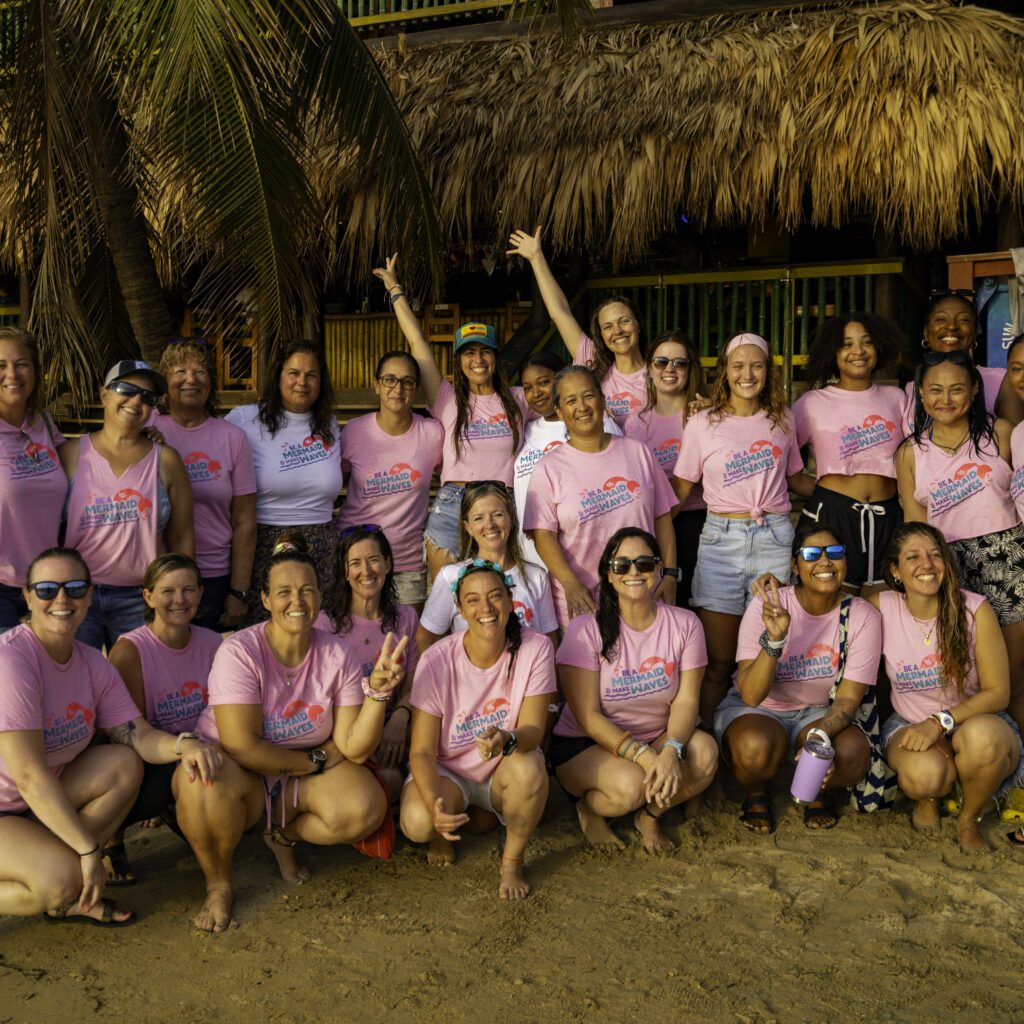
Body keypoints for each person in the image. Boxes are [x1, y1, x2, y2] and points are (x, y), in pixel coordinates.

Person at [181, 543, 400, 932]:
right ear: (265, 599)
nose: (297, 601)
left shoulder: (338, 653)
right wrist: (314, 761)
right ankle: (218, 884)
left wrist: (377, 694)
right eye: (284, 591)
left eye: (307, 590)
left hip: (299, 767)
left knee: (365, 807)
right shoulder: (240, 651)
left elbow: (353, 746)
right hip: (241, 769)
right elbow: (241, 744)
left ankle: (280, 833)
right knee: (200, 783)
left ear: (320, 595)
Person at [0, 547, 221, 926]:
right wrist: (88, 851)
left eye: (74, 587)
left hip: (38, 802)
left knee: (122, 763)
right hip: (12, 803)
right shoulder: (12, 662)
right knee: (62, 879)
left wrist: (185, 744)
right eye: (47, 589)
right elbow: (29, 777)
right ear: (27, 595)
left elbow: (137, 736)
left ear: (89, 594)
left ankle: (65, 877)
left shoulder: (91, 663)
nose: (62, 599)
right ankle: (66, 881)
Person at [552, 528, 717, 852]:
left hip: (656, 735)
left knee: (706, 755)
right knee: (632, 785)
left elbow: (685, 702)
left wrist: (670, 751)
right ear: (608, 575)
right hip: (586, 744)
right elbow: (588, 717)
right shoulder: (586, 629)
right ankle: (588, 809)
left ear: (658, 569)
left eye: (643, 563)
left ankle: (650, 816)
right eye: (622, 565)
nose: (633, 572)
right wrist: (644, 757)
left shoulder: (685, 624)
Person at [399, 560, 556, 900]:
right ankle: (451, 825)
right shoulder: (437, 659)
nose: (485, 607)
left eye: (495, 596)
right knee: (418, 821)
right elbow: (423, 751)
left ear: (510, 599)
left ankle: (511, 860)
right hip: (449, 770)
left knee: (530, 768)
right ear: (459, 608)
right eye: (472, 599)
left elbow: (532, 729)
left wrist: (506, 739)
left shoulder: (536, 648)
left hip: (503, 767)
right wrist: (434, 804)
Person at [714, 525, 881, 833]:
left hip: (820, 711)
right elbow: (752, 695)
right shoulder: (769, 605)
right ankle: (756, 792)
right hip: (760, 710)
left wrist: (821, 737)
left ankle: (818, 791)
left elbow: (848, 699)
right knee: (754, 748)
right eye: (811, 554)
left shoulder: (862, 615)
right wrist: (775, 641)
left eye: (834, 553)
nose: (825, 562)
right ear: (795, 565)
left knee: (851, 753)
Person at [672, 332, 803, 724]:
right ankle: (711, 748)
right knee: (719, 661)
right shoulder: (702, 422)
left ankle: (762, 738)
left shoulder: (784, 420)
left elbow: (797, 479)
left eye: (757, 365)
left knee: (768, 652)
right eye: (738, 366)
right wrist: (646, 527)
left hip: (775, 539)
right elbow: (681, 488)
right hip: (720, 544)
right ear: (725, 373)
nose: (748, 374)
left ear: (769, 371)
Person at [373, 255, 530, 578]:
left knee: (502, 593)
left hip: (502, 504)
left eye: (485, 351)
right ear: (459, 360)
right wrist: (394, 289)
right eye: (469, 352)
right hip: (453, 503)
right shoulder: (446, 399)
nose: (478, 359)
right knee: (445, 597)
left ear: (495, 357)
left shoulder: (518, 399)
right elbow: (417, 342)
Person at [895, 350, 1024, 735]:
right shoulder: (909, 452)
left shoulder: (1000, 433)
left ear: (973, 391)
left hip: (1007, 560)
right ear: (920, 394)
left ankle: (1015, 769)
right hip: (947, 566)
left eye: (956, 389)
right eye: (935, 389)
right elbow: (914, 529)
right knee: (962, 676)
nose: (945, 399)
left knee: (1013, 675)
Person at [869, 523, 1020, 851]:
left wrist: (940, 721)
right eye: (913, 557)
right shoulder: (881, 606)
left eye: (935, 555)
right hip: (911, 724)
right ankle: (931, 796)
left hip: (972, 722)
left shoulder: (974, 609)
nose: (927, 564)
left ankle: (970, 817)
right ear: (896, 571)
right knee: (925, 777)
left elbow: (998, 692)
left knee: (986, 741)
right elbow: (825, 606)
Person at [524, 366, 678, 627]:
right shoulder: (548, 468)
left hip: (642, 591)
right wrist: (571, 583)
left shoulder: (637, 452)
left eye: (588, 396)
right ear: (560, 412)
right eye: (571, 401)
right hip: (584, 601)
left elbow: (662, 518)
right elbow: (543, 535)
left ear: (602, 400)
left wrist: (671, 574)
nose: (582, 406)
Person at [103, 553, 223, 883]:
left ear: (201, 593)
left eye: (188, 590)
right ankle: (113, 839)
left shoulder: (215, 644)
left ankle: (176, 810)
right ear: (148, 596)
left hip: (201, 750)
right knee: (124, 758)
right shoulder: (130, 651)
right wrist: (182, 753)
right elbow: (129, 732)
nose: (179, 600)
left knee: (227, 826)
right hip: (150, 757)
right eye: (168, 590)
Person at [61, 360, 194, 649]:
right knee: (79, 688)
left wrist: (180, 593)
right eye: (126, 389)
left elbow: (182, 536)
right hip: (78, 595)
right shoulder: (70, 455)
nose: (136, 401)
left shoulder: (166, 460)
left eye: (148, 397)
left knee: (141, 689)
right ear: (104, 394)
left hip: (142, 598)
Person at [225, 340, 342, 623]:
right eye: (294, 373)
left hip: (321, 549)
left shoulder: (330, 424)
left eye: (311, 375)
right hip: (262, 545)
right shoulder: (243, 420)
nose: (302, 382)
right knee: (265, 636)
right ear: (278, 375)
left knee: (315, 633)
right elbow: (203, 440)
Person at [790, 314, 906, 593]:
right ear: (833, 351)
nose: (858, 351)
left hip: (888, 517)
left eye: (867, 343)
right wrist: (827, 499)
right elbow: (787, 467)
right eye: (847, 344)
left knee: (886, 608)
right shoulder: (811, 403)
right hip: (831, 518)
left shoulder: (897, 398)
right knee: (833, 608)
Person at [153, 337, 257, 630]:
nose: (191, 380)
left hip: (215, 575)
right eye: (180, 371)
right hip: (159, 571)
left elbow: (245, 520)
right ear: (165, 380)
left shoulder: (232, 438)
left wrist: (238, 590)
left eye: (199, 371)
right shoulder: (148, 431)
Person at [316, 525, 420, 800]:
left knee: (392, 781)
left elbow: (414, 684)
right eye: (355, 563)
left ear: (387, 563)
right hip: (343, 732)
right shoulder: (325, 624)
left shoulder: (406, 617)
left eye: (373, 560)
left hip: (393, 728)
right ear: (344, 572)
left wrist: (400, 716)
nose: (366, 570)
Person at [336, 351, 443, 612]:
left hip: (406, 560)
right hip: (357, 559)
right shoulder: (354, 432)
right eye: (390, 380)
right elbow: (332, 484)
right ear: (376, 385)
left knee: (407, 643)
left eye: (407, 381)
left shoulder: (432, 434)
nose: (398, 388)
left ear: (416, 388)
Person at [506, 227, 647, 423]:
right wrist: (536, 258)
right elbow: (560, 312)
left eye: (624, 321)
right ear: (601, 334)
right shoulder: (592, 360)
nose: (617, 331)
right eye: (607, 326)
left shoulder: (658, 371)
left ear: (638, 324)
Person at [418, 481, 559, 651]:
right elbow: (427, 637)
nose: (490, 524)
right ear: (467, 527)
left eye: (498, 514)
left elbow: (550, 643)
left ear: (511, 518)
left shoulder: (537, 576)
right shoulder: (450, 577)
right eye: (478, 518)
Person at [623, 331, 708, 607]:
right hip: (654, 524)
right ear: (649, 370)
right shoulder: (635, 424)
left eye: (679, 363)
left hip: (700, 522)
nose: (669, 369)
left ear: (690, 369)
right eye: (661, 362)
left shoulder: (706, 414)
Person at [512, 352, 622, 567]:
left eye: (544, 382)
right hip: (532, 555)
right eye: (527, 387)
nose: (536, 393)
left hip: (583, 555)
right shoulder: (526, 430)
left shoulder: (596, 424)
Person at [0, 327, 67, 634]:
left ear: (36, 371)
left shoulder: (45, 424)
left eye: (21, 363)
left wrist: (142, 439)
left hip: (48, 584)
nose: (12, 374)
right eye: (0, 365)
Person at [905, 290, 1024, 425]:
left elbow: (1017, 441)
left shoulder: (999, 381)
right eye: (941, 319)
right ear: (926, 332)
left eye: (964, 320)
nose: (951, 326)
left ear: (974, 333)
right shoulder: (910, 389)